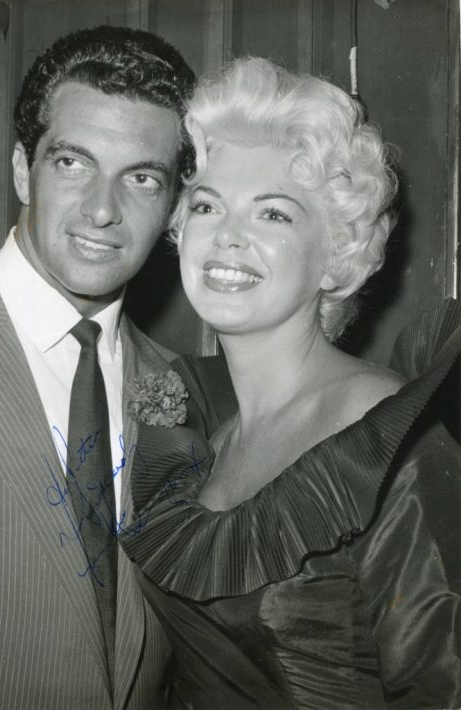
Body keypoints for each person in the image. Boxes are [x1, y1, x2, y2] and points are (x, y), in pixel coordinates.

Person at [120, 57, 461, 709]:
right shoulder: (208, 438)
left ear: (335, 256)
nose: (227, 237)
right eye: (207, 205)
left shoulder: (392, 447)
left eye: (272, 215)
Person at [0, 25, 195, 710]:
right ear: (20, 170)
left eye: (142, 178)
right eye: (72, 162)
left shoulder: (187, 392)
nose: (102, 209)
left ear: (174, 205)